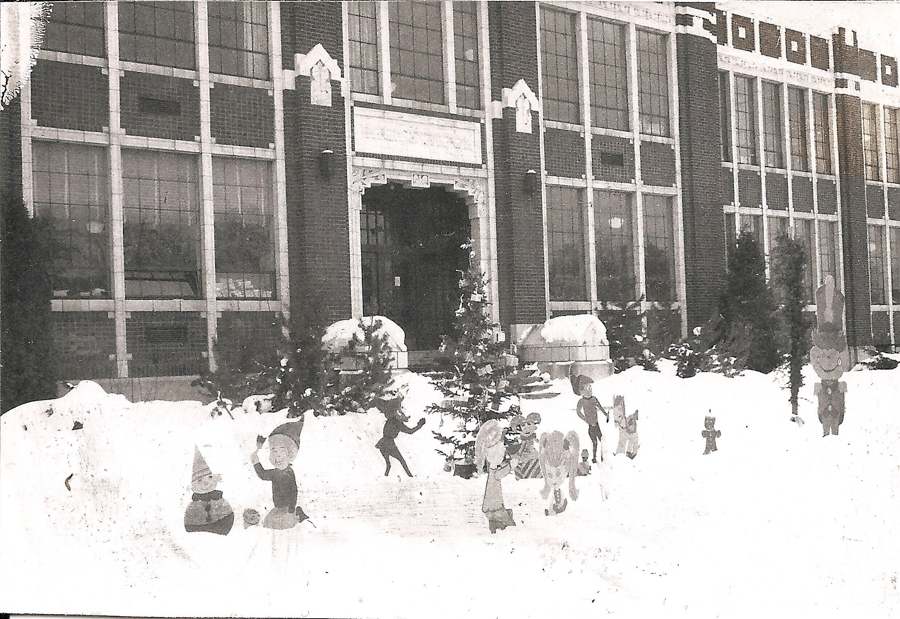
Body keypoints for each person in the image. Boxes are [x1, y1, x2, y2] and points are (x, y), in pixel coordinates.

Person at [251, 420, 308, 529]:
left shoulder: (288, 472)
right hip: (278, 507)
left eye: (282, 452)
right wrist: (256, 462)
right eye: (274, 452)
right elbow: (263, 475)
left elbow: (293, 490)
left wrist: (292, 507)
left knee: (285, 526)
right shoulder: (275, 472)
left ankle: (298, 515)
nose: (278, 457)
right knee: (268, 524)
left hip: (287, 508)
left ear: (290, 454)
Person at [475, 420, 516, 533]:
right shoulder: (493, 469)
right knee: (506, 520)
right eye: (501, 449)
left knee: (497, 515)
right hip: (494, 505)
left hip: (492, 503)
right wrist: (511, 466)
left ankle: (494, 525)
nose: (503, 451)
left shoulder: (493, 467)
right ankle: (501, 525)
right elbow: (499, 475)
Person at [184, 447, 234, 535]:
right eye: (199, 480)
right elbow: (189, 526)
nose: (206, 483)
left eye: (210, 477)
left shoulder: (220, 501)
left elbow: (228, 519)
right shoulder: (193, 506)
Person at [374, 395, 425, 477]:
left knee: (388, 464)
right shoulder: (398, 424)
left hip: (382, 442)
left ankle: (385, 476)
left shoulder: (390, 419)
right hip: (389, 443)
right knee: (401, 461)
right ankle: (410, 477)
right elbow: (410, 431)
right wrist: (419, 426)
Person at [574, 375, 609, 463]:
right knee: (594, 442)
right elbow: (578, 412)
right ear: (581, 390)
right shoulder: (581, 401)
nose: (590, 390)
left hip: (596, 423)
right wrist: (585, 419)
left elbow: (600, 407)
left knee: (601, 440)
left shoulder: (594, 399)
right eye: (587, 388)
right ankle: (594, 457)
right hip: (591, 424)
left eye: (590, 387)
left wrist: (606, 415)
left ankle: (602, 456)